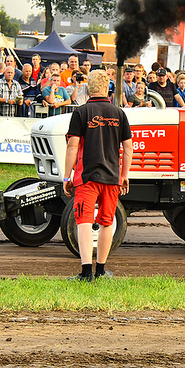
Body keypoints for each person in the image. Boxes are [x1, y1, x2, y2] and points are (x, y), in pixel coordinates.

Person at [63, 69, 133, 282]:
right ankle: (101, 270)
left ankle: (86, 272)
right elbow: (128, 147)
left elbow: (72, 146)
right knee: (106, 222)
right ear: (107, 88)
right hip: (112, 177)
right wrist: (124, 175)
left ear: (89, 89)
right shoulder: (119, 113)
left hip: (87, 177)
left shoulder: (81, 112)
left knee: (84, 221)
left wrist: (67, 176)